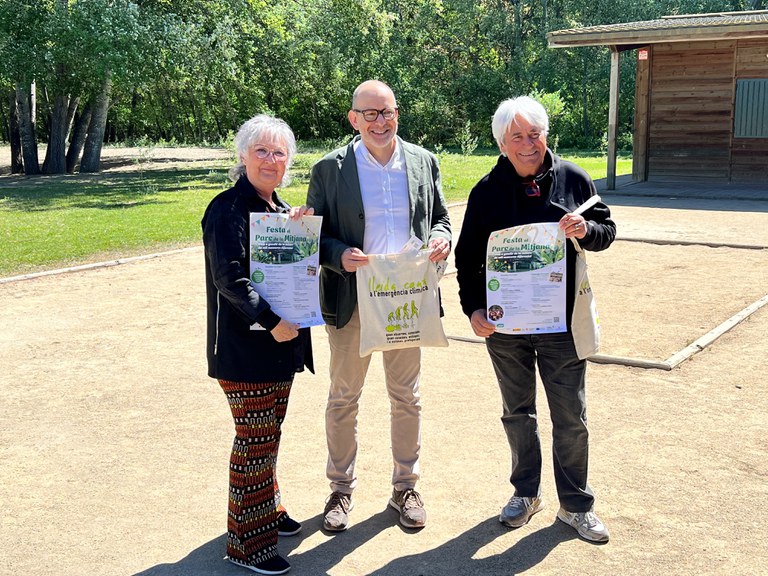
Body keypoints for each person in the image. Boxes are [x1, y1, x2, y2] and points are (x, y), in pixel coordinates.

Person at [454, 96, 616, 543]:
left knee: (571, 417)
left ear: (546, 135)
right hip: (505, 328)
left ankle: (576, 506)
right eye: (517, 137)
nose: (528, 144)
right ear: (501, 143)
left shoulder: (574, 179)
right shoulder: (485, 191)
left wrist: (586, 230)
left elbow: (606, 231)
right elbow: (467, 259)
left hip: (561, 326)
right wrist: (473, 308)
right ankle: (526, 494)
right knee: (517, 413)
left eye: (535, 134)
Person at [307, 80, 451, 531]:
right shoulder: (329, 168)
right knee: (344, 398)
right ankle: (340, 490)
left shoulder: (423, 161)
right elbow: (313, 235)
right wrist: (338, 255)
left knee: (406, 397)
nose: (379, 122)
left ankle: (405, 487)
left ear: (397, 114)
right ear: (354, 119)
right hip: (352, 300)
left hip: (407, 300)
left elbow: (441, 217)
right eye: (369, 114)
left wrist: (442, 239)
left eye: (386, 112)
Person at [202, 114, 314, 575]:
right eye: (261, 151)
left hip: (280, 346)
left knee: (268, 435)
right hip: (244, 350)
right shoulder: (226, 209)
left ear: (289, 161)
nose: (271, 160)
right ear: (243, 155)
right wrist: (271, 321)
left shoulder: (280, 211)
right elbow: (229, 278)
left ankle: (267, 508)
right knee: (254, 440)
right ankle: (247, 545)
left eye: (279, 152)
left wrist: (302, 230)